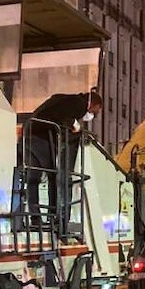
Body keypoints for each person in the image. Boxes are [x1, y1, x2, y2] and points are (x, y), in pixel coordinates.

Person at [20, 88, 103, 226]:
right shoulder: (79, 104)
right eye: (95, 111)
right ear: (93, 104)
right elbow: (65, 119)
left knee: (33, 179)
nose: (94, 114)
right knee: (53, 176)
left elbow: (57, 111)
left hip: (29, 132)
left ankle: (35, 218)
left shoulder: (65, 99)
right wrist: (76, 127)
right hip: (42, 136)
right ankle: (54, 216)